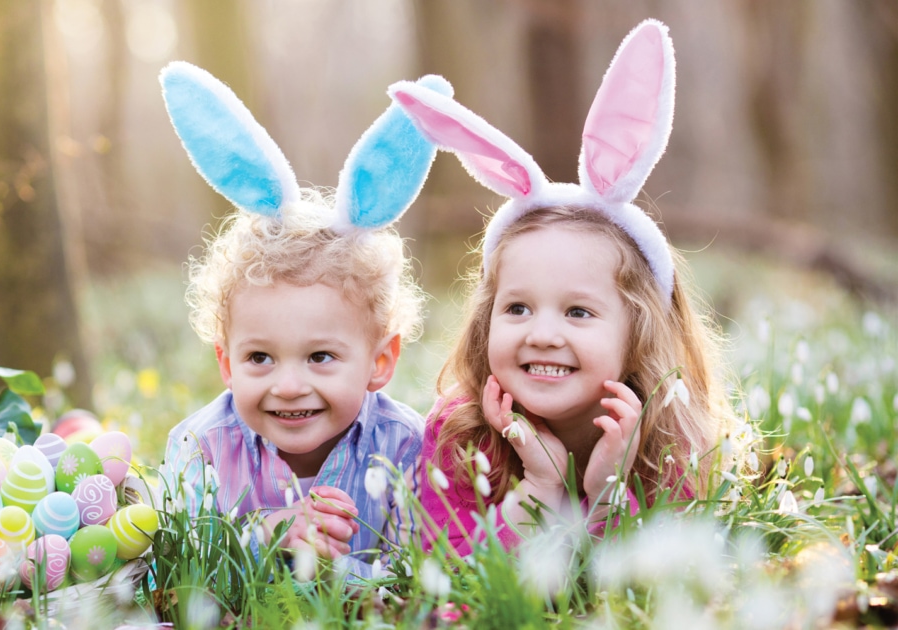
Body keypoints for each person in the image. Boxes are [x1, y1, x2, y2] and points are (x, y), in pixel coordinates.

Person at [389, 19, 734, 555]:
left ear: (639, 333)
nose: (543, 334)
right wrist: (541, 489)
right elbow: (453, 573)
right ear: (486, 322)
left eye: (578, 312)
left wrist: (606, 494)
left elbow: (650, 584)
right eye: (518, 308)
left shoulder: (674, 438)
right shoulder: (459, 433)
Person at [158, 61, 452, 574]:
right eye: (259, 358)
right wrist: (269, 534)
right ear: (226, 363)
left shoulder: (406, 444)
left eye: (320, 356)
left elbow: (418, 575)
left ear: (380, 361)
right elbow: (179, 569)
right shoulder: (200, 446)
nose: (288, 385)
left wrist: (335, 573)